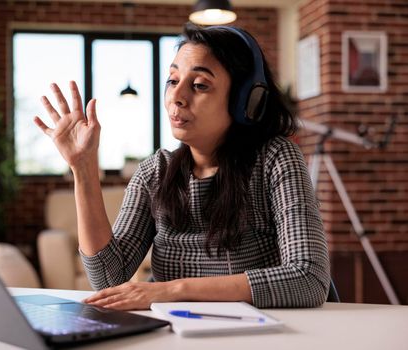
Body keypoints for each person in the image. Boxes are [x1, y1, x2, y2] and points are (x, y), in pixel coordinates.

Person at [34, 23, 330, 310]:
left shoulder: (277, 159)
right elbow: (108, 277)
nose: (177, 97)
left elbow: (309, 278)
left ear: (246, 101)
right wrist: (83, 169)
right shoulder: (154, 172)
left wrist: (172, 290)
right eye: (173, 81)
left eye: (199, 85)